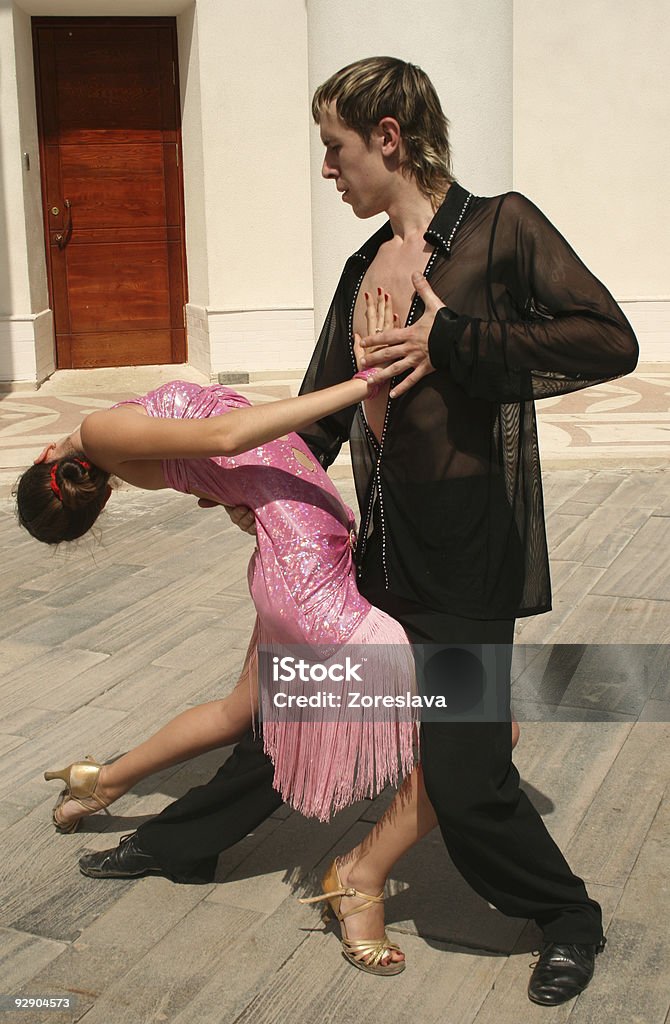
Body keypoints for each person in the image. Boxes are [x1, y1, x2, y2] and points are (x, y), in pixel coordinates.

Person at [65, 56, 638, 1006]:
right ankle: (180, 844)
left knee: (467, 769)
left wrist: (449, 340)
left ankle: (566, 918)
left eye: (335, 148)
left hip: (467, 564)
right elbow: (318, 423)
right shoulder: (358, 269)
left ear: (388, 137)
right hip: (377, 553)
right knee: (293, 709)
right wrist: (226, 475)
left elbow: (605, 340)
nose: (328, 170)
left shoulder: (502, 229)